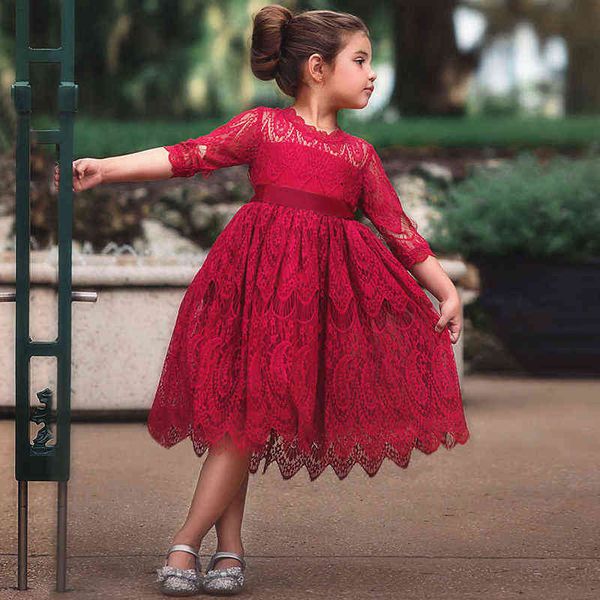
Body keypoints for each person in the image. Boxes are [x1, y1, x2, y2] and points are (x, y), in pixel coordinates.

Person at [55, 5, 470, 596]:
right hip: (246, 288)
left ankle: (206, 545)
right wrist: (107, 169)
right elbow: (189, 155)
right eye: (361, 61)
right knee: (241, 418)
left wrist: (445, 288)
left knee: (245, 417)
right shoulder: (264, 128)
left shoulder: (358, 158)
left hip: (305, 306)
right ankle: (210, 546)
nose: (373, 74)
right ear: (318, 68)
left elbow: (397, 228)